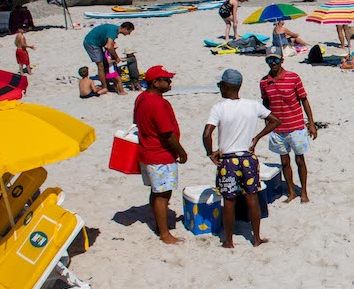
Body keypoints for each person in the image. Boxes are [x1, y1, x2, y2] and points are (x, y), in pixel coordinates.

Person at [203, 69, 280, 249]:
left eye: (220, 85)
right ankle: (257, 238)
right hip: (248, 158)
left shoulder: (219, 108)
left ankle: (229, 241)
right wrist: (257, 137)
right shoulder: (253, 105)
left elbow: (207, 133)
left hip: (228, 160)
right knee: (252, 198)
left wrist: (210, 152)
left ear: (226, 86)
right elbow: (275, 120)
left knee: (229, 200)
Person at [133, 65, 188, 244]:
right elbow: (167, 134)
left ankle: (159, 224)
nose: (170, 82)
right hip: (160, 154)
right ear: (156, 83)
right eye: (166, 79)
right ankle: (165, 234)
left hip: (148, 152)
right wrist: (180, 151)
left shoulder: (141, 98)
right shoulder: (157, 103)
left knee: (157, 192)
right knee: (163, 194)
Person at [260, 49, 318, 202]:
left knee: (300, 160)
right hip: (277, 129)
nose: (273, 63)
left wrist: (311, 123)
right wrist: (267, 121)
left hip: (296, 127)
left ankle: (304, 191)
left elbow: (304, 100)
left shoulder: (293, 78)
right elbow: (265, 102)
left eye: (276, 60)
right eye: (270, 60)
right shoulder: (264, 82)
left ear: (282, 61)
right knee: (284, 162)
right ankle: (292, 191)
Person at [83, 21, 134, 88]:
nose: (129, 34)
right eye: (129, 32)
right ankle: (105, 87)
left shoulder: (114, 29)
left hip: (97, 43)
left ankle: (106, 84)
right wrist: (116, 57)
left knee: (104, 63)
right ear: (125, 28)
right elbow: (109, 46)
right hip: (91, 43)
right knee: (100, 65)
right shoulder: (113, 31)